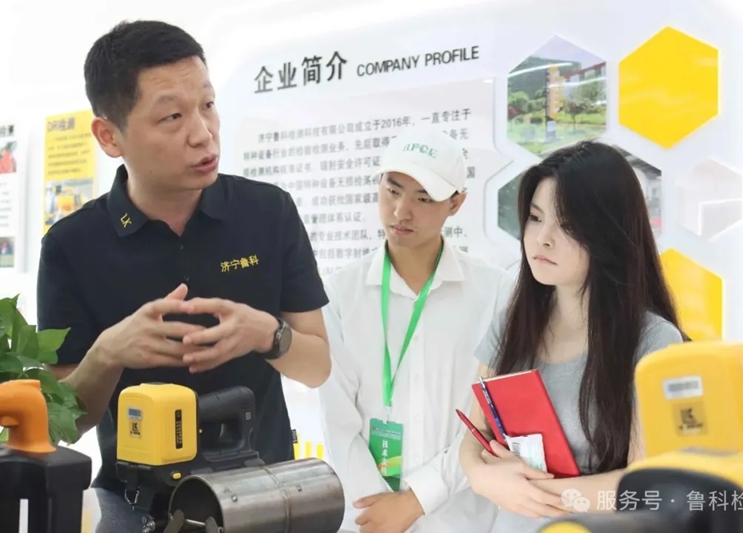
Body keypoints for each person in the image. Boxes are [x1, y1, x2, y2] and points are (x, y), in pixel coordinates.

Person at [36, 19, 331, 505]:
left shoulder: (268, 211)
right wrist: (108, 352)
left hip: (265, 494)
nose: (203, 134)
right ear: (109, 136)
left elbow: (317, 367)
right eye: (172, 116)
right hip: (137, 505)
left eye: (208, 105)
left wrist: (266, 334)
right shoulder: (71, 245)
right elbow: (63, 424)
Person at [458, 141, 685, 532]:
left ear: (608, 233)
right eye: (535, 217)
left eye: (567, 225)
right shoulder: (511, 324)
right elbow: (473, 439)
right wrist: (481, 477)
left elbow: (643, 485)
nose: (542, 238)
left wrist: (530, 492)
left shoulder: (654, 342)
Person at [319, 125, 511, 533]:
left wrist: (417, 500)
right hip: (368, 519)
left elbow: (489, 420)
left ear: (456, 203)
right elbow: (337, 422)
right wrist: (377, 509)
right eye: (392, 190)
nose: (401, 211)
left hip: (464, 520)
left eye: (423, 198)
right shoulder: (340, 293)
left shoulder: (495, 292)